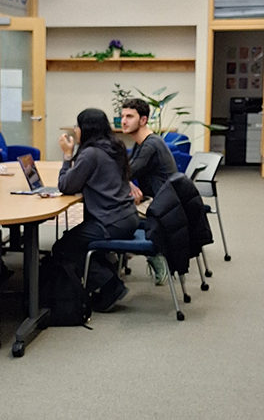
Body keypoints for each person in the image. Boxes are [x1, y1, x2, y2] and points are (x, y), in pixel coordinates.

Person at [54, 108, 139, 312]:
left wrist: (67, 156)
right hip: (127, 216)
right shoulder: (115, 147)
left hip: (111, 221)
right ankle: (107, 281)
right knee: (80, 240)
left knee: (62, 248)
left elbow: (66, 185)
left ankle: (111, 286)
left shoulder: (91, 153)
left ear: (87, 129)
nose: (75, 130)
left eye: (77, 126)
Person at [120, 98, 178, 285]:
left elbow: (123, 173)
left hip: (162, 208)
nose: (124, 121)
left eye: (129, 116)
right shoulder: (142, 143)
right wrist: (129, 183)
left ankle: (152, 253)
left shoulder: (150, 145)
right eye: (122, 116)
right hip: (158, 201)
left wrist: (127, 180)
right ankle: (121, 257)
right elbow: (126, 172)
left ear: (143, 120)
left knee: (114, 215)